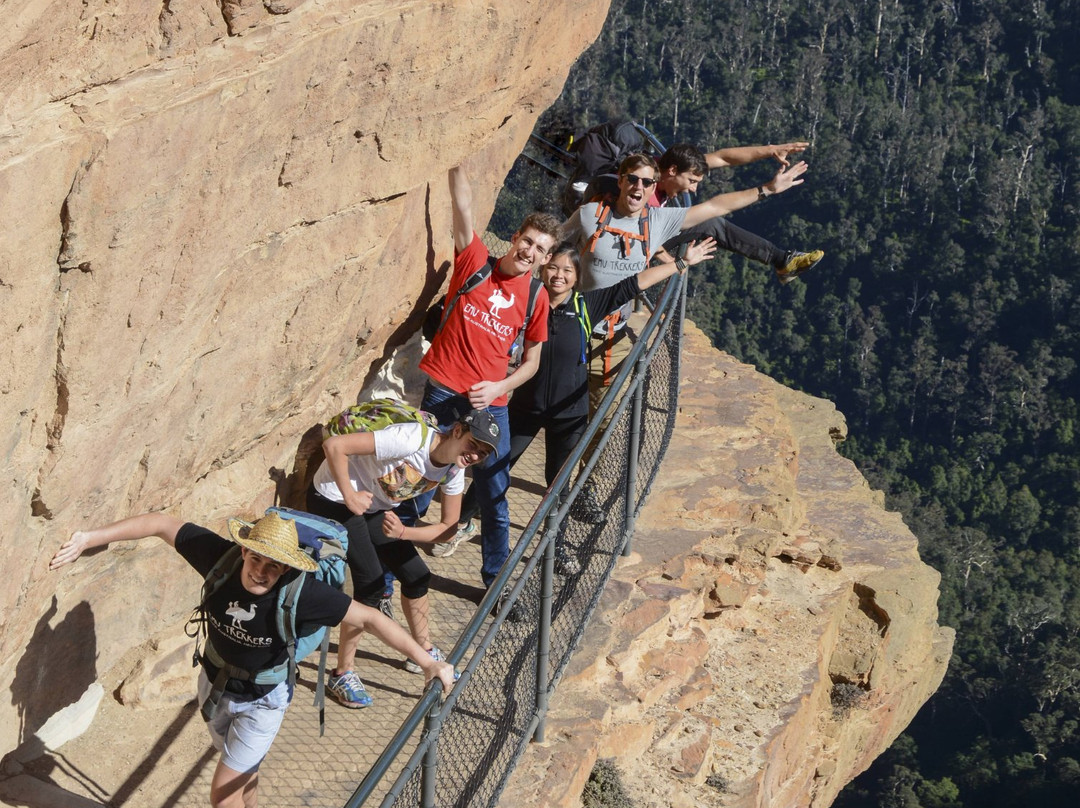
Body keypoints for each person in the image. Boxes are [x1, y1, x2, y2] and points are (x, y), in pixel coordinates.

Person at [50, 511, 455, 808]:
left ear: (286, 569)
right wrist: (91, 537)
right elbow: (161, 524)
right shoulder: (221, 559)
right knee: (244, 775)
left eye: (274, 566)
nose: (261, 572)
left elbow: (368, 617)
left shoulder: (304, 594)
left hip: (264, 700)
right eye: (257, 558)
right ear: (244, 550)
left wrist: (428, 661)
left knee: (222, 794)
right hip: (214, 686)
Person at [436, 237, 716, 562]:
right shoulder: (527, 299)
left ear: (576, 276)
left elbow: (633, 285)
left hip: (569, 413)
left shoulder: (587, 306)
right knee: (494, 467)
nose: (559, 275)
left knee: (558, 485)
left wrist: (681, 264)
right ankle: (462, 524)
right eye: (553, 267)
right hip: (525, 408)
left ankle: (557, 548)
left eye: (567, 270)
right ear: (543, 267)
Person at [396, 165, 560, 592]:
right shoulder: (474, 262)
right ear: (514, 238)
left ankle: (494, 580)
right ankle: (392, 561)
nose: (529, 251)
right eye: (527, 240)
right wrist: (456, 160)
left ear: (545, 259)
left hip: (492, 404)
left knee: (494, 488)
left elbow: (532, 363)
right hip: (445, 389)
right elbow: (462, 206)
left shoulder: (537, 298)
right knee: (422, 476)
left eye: (540, 249)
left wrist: (499, 388)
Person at [562, 152, 809, 411]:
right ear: (621, 181)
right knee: (553, 400)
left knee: (600, 416)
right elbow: (554, 244)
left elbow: (717, 207)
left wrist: (768, 189)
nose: (639, 187)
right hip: (572, 323)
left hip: (612, 336)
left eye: (647, 183)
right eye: (633, 179)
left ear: (653, 187)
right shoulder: (590, 214)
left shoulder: (658, 222)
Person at [305, 408, 498, 707]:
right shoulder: (411, 440)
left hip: (371, 507)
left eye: (482, 453)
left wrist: (404, 533)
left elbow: (448, 528)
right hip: (332, 499)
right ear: (458, 431)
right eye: (474, 445)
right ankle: (342, 673)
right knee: (370, 584)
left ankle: (422, 650)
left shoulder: (453, 470)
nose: (475, 455)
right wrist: (351, 495)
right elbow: (334, 447)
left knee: (416, 575)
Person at [650, 142, 824, 284]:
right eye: (691, 181)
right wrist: (668, 259)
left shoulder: (659, 166)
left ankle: (782, 260)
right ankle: (781, 261)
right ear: (672, 170)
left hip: (649, 230)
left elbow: (722, 157)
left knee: (711, 223)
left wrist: (771, 150)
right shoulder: (646, 194)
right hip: (637, 243)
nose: (693, 189)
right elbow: (717, 206)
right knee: (710, 220)